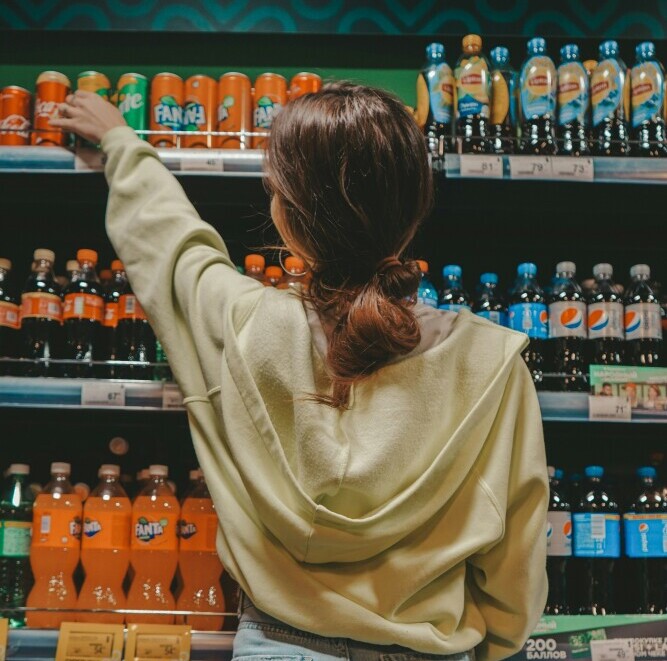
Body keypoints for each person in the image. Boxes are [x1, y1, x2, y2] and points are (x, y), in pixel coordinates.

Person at [53, 83, 548, 661]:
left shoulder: (244, 325)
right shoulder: (490, 364)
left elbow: (169, 245)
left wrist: (120, 141)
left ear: (285, 215)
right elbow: (514, 573)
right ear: (414, 212)